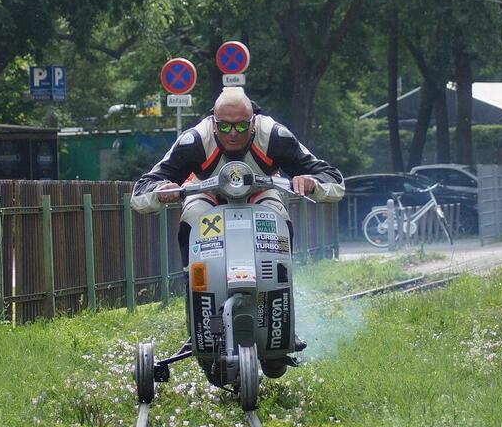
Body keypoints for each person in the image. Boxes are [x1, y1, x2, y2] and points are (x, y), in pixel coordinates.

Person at [131, 86, 344, 376]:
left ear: (253, 121)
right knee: (191, 214)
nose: (234, 133)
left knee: (277, 215)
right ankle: (198, 308)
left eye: (242, 126)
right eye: (225, 127)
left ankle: (281, 321)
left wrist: (311, 182)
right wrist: (160, 190)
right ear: (213, 122)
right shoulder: (195, 139)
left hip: (260, 195)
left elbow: (332, 178)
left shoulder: (275, 135)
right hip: (208, 198)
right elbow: (142, 189)